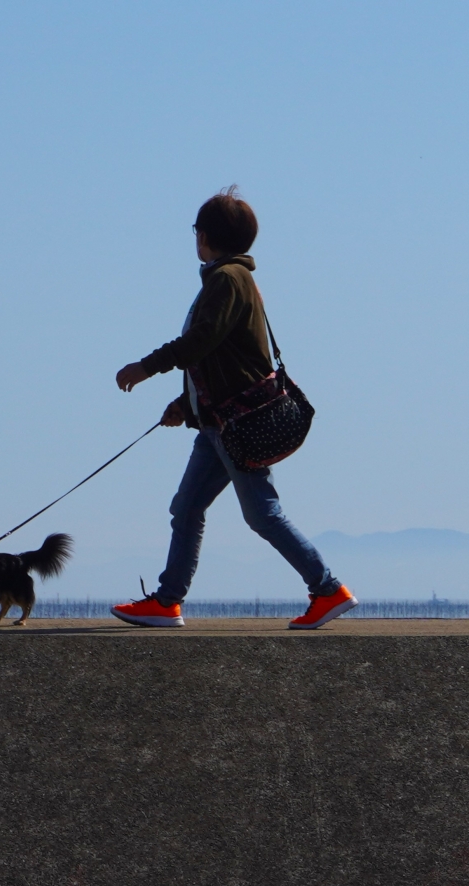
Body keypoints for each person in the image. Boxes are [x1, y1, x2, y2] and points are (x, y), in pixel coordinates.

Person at [110, 187, 357, 630]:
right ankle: (167, 602)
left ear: (205, 235)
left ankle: (327, 589)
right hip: (216, 423)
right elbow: (218, 358)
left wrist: (146, 367)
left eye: (196, 232)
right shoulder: (229, 278)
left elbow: (200, 343)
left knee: (262, 514)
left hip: (237, 424)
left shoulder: (227, 279)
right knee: (186, 508)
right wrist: (185, 407)